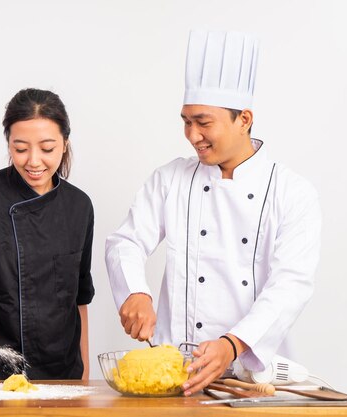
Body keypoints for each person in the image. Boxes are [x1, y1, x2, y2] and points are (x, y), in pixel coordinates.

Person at [105, 30, 321, 396]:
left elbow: (290, 285)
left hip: (255, 382)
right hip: (177, 378)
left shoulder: (292, 192)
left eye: (203, 122)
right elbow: (126, 241)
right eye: (185, 121)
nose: (191, 134)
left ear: (245, 119)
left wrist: (233, 344)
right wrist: (135, 292)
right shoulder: (171, 178)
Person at [0, 88, 95, 380]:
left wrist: (84, 376)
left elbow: (79, 296)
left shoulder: (79, 206)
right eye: (20, 149)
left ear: (65, 143)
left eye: (47, 148)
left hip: (60, 371)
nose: (33, 161)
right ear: (8, 144)